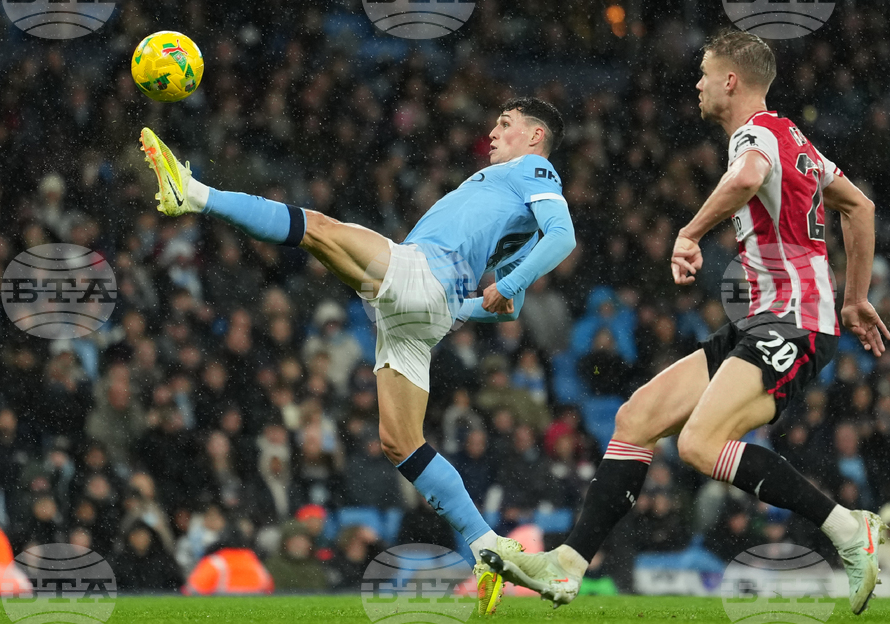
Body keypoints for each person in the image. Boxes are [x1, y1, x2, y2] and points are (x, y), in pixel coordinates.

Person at [484, 31, 890, 617]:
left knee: (700, 445)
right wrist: (854, 299)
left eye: (704, 72)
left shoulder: (754, 136)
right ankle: (570, 564)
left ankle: (850, 530)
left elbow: (748, 179)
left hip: (794, 323)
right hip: (771, 320)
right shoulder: (794, 139)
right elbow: (861, 207)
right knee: (637, 417)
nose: (697, 83)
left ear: (731, 81)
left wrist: (691, 231)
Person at [139, 96, 575, 614]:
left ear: (535, 136)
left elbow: (562, 238)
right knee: (402, 444)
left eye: (505, 124)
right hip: (419, 311)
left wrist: (492, 286)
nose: (493, 131)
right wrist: (467, 302)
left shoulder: (534, 168)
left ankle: (192, 193)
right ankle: (488, 546)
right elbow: (507, 306)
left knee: (318, 229)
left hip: (424, 276)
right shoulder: (510, 196)